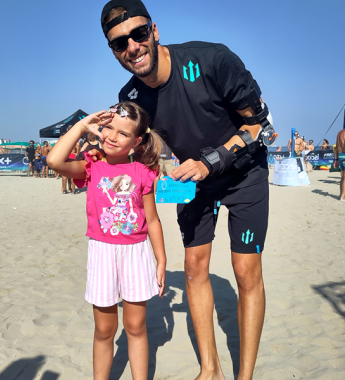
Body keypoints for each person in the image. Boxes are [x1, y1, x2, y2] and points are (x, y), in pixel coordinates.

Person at [98, 1, 271, 379]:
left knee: (245, 270)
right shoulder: (131, 98)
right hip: (191, 183)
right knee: (193, 269)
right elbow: (143, 150)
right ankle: (210, 370)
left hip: (244, 172)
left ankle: (245, 376)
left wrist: (212, 161)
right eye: (119, 43)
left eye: (138, 33)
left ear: (154, 31)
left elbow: (261, 126)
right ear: (113, 51)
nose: (132, 47)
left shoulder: (213, 60)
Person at [47, 102, 166, 379]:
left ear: (136, 141)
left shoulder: (143, 172)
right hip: (101, 253)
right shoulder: (92, 166)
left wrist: (161, 260)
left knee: (136, 327)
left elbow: (153, 220)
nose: (112, 136)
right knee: (104, 330)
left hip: (136, 253)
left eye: (123, 134)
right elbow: (54, 161)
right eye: (108, 128)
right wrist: (81, 126)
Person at [333, 129, 345, 201]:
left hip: (340, 155)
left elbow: (336, 147)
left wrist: (336, 159)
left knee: (343, 177)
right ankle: (343, 197)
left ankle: (341, 194)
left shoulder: (339, 133)